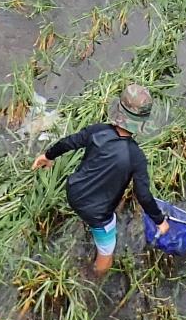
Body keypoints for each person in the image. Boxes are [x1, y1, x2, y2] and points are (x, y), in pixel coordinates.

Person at [32, 85, 170, 275]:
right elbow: (143, 195)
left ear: (118, 110)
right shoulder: (136, 156)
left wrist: (47, 156)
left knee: (89, 211)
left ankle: (87, 223)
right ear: (142, 122)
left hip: (73, 192)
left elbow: (68, 142)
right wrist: (160, 220)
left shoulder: (97, 130)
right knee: (107, 251)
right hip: (98, 213)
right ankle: (94, 279)